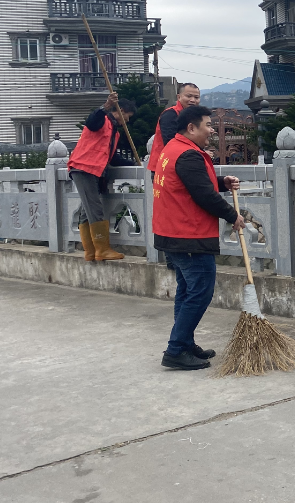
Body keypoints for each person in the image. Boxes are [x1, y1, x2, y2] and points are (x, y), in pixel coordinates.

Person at [152, 105, 244, 371]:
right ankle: (176, 349)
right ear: (191, 128)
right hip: (188, 234)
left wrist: (220, 181)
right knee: (200, 292)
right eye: (207, 124)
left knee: (186, 290)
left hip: (170, 233)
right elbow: (203, 195)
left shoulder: (172, 150)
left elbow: (193, 183)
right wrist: (232, 216)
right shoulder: (189, 155)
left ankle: (185, 342)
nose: (211, 129)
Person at [67, 92, 138, 262]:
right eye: (127, 117)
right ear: (120, 111)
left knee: (86, 211)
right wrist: (106, 105)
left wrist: (135, 164)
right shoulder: (102, 121)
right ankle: (102, 249)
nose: (127, 121)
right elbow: (91, 122)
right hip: (84, 167)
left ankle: (90, 251)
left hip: (95, 170)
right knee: (95, 208)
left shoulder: (115, 132)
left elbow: (113, 158)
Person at [148, 82, 201, 169]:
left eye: (196, 97)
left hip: (183, 163)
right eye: (189, 96)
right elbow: (170, 141)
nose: (193, 100)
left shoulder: (193, 117)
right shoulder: (170, 114)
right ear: (179, 97)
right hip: (165, 165)